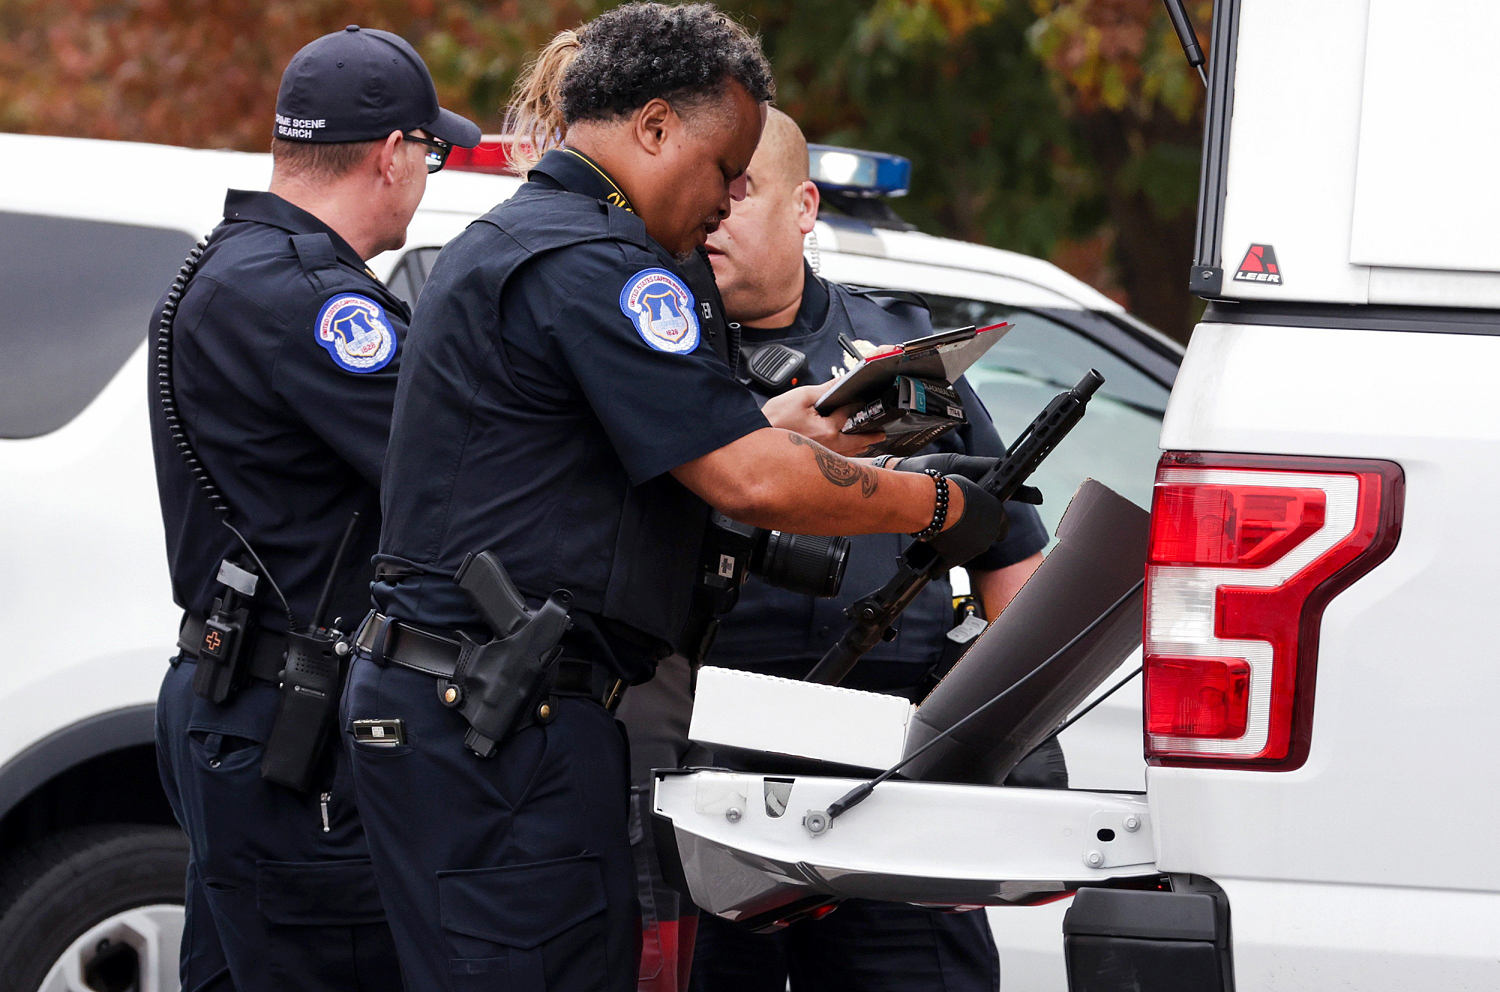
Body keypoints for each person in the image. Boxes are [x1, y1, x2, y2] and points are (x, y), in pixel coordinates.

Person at [340, 5, 1014, 991]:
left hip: (476, 709)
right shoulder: (596, 265)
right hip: (501, 720)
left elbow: (652, 444)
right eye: (727, 163)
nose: (735, 191)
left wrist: (781, 422)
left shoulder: (531, 241)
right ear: (653, 127)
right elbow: (746, 480)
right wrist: (940, 508)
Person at [148, 26, 479, 991]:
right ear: (391, 155)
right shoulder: (315, 301)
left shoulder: (242, 265)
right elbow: (452, 471)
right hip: (288, 721)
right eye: (432, 151)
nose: (429, 173)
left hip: (240, 699)